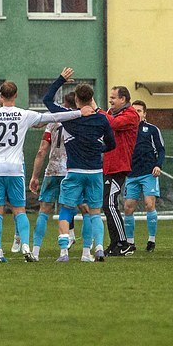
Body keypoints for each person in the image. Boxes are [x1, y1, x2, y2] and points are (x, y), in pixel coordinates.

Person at [0, 80, 81, 263]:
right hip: (15, 169)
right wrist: (80, 113)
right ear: (16, 95)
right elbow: (53, 117)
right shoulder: (24, 114)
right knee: (20, 210)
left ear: (0, 96)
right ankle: (26, 246)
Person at [44, 69, 116, 263]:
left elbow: (47, 100)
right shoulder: (101, 119)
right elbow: (112, 144)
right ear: (92, 99)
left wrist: (61, 80)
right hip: (95, 172)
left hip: (74, 171)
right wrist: (99, 148)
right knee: (94, 213)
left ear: (76, 99)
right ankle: (95, 249)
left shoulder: (70, 117)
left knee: (67, 210)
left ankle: (64, 253)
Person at [29, 92, 80, 260]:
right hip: (72, 171)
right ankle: (82, 249)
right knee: (81, 209)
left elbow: (42, 150)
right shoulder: (80, 120)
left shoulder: (53, 122)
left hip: (53, 170)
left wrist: (35, 176)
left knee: (44, 211)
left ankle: (35, 252)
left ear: (64, 104)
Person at [99, 86, 139, 256]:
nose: (110, 101)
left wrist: (96, 110)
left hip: (119, 166)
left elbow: (113, 123)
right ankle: (115, 243)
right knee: (107, 205)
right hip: (109, 165)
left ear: (123, 99)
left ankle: (124, 243)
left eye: (113, 97)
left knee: (110, 204)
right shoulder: (111, 113)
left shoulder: (131, 114)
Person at [123, 100, 164, 253]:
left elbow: (161, 149)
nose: (136, 114)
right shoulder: (126, 130)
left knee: (149, 205)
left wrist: (158, 165)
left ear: (145, 114)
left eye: (139, 111)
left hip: (149, 173)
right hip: (131, 174)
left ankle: (151, 240)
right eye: (133, 111)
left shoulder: (152, 130)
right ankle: (130, 242)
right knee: (128, 208)